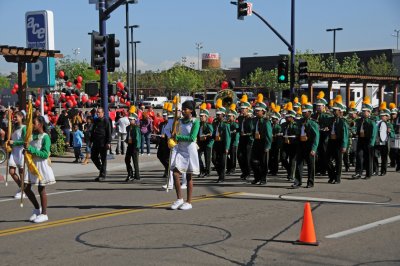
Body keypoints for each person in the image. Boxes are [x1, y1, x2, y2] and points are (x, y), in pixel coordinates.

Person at [23, 116, 56, 223]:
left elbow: (45, 154)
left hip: (42, 165)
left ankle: (44, 214)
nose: (32, 125)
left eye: (34, 123)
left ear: (40, 124)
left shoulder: (45, 137)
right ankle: (37, 209)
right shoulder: (32, 136)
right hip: (33, 165)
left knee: (41, 189)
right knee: (26, 188)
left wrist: (31, 149)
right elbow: (25, 145)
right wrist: (24, 149)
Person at [169, 100, 200, 210]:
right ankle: (179, 199)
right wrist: (172, 138)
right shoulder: (179, 121)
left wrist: (178, 137)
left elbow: (192, 137)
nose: (183, 111)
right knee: (176, 174)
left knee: (188, 176)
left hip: (190, 150)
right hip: (180, 150)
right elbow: (175, 133)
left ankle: (189, 202)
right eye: (182, 109)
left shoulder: (195, 122)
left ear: (191, 110)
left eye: (185, 109)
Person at [292, 95, 319, 189]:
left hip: (309, 145)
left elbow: (316, 137)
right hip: (301, 144)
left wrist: (314, 148)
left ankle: (310, 182)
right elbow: (297, 130)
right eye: (303, 112)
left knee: (310, 165)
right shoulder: (300, 122)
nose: (303, 114)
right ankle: (297, 181)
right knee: (299, 163)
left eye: (305, 112)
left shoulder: (313, 123)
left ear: (310, 112)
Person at [352, 96, 377, 180]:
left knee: (368, 158)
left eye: (365, 111)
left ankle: (368, 174)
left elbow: (373, 133)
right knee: (359, 156)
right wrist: (355, 131)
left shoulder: (371, 122)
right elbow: (355, 127)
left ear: (369, 112)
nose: (363, 112)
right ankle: (358, 173)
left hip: (368, 140)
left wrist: (371, 143)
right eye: (362, 111)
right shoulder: (359, 120)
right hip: (361, 139)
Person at [250, 94, 272, 185]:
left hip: (263, 142)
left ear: (263, 111)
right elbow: (252, 130)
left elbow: (268, 135)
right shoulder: (254, 120)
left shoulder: (266, 121)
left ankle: (263, 178)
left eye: (258, 111)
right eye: (256, 110)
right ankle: (257, 177)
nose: (256, 112)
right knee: (253, 161)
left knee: (263, 163)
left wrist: (267, 146)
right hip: (256, 142)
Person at [326, 96, 348, 184]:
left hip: (338, 142)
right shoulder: (331, 119)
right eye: (333, 110)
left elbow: (345, 135)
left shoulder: (343, 122)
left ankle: (337, 178)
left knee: (338, 161)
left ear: (340, 111)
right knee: (327, 159)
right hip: (331, 141)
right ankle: (332, 176)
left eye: (335, 110)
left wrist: (344, 145)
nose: (333, 111)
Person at [6, 111, 26, 199]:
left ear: (21, 117)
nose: (15, 118)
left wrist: (14, 142)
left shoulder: (24, 128)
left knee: (21, 172)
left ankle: (23, 191)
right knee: (11, 172)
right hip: (14, 152)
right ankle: (22, 187)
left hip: (21, 151)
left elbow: (25, 142)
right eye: (14, 117)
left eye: (16, 117)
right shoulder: (13, 127)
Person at [312, 91, 332, 176]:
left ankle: (324, 169)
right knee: (316, 153)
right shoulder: (314, 115)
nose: (318, 107)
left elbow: (331, 125)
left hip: (325, 136)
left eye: (320, 106)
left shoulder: (327, 115)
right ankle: (318, 169)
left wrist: (327, 128)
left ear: (324, 106)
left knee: (324, 153)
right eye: (317, 106)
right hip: (316, 136)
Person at [211, 99, 231, 183]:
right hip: (216, 142)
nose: (217, 115)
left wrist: (227, 147)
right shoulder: (215, 122)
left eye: (219, 114)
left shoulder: (225, 125)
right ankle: (220, 174)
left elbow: (227, 137)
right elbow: (213, 132)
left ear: (223, 115)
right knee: (214, 159)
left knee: (222, 162)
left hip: (222, 143)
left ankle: (221, 177)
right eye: (217, 114)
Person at [90, 107, 112, 181]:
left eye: (99, 112)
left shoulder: (106, 121)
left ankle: (102, 175)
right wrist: (90, 141)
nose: (98, 114)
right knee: (93, 156)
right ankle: (102, 170)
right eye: (97, 112)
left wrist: (108, 142)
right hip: (96, 142)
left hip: (103, 142)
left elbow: (109, 132)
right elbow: (93, 131)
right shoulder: (95, 121)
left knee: (103, 159)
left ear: (103, 113)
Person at [373, 102, 394, 176]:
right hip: (377, 142)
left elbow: (393, 135)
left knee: (384, 158)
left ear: (387, 116)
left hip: (385, 142)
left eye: (383, 116)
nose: (382, 117)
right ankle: (375, 170)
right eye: (381, 115)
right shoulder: (377, 122)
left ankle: (383, 171)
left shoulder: (389, 124)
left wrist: (390, 132)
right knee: (374, 156)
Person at [237, 95, 254, 180]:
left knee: (247, 157)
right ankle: (244, 171)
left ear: (247, 109)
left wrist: (246, 134)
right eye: (241, 108)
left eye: (244, 108)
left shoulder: (250, 119)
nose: (242, 110)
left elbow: (252, 131)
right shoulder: (240, 118)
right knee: (239, 156)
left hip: (249, 139)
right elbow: (239, 128)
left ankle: (248, 172)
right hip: (242, 139)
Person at [281, 102, 298, 181]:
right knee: (283, 158)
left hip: (293, 144)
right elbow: (281, 131)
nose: (287, 118)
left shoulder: (296, 125)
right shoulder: (283, 124)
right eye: (286, 117)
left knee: (292, 160)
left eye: (289, 117)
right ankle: (289, 170)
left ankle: (291, 175)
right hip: (285, 143)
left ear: (292, 117)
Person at [125, 107, 141, 182]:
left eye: (131, 119)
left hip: (134, 146)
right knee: (127, 159)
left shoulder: (136, 128)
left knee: (135, 161)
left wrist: (137, 147)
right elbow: (128, 136)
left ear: (135, 120)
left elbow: (138, 138)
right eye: (129, 119)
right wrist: (126, 140)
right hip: (129, 145)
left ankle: (137, 176)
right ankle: (130, 173)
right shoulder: (128, 127)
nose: (130, 120)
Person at [268, 103, 283, 176]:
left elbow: (278, 135)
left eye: (275, 119)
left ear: (277, 119)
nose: (273, 120)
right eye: (273, 119)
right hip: (271, 143)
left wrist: (274, 135)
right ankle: (271, 169)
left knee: (275, 158)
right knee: (270, 157)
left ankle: (275, 170)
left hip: (276, 143)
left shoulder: (279, 127)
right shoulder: (271, 125)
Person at [226, 104, 239, 175]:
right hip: (229, 142)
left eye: (230, 116)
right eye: (228, 116)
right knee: (227, 155)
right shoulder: (228, 123)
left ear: (233, 117)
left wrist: (235, 142)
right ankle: (229, 167)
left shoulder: (235, 124)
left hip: (234, 142)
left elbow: (236, 134)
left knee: (233, 156)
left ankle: (233, 168)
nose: (228, 117)